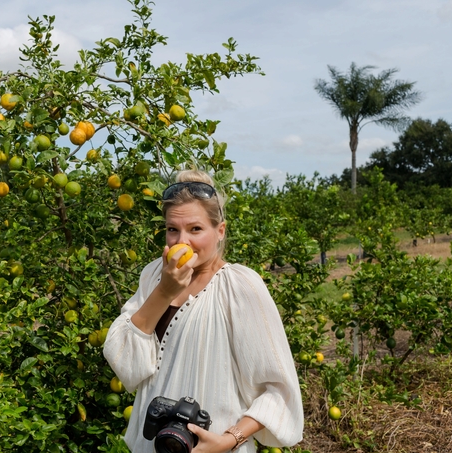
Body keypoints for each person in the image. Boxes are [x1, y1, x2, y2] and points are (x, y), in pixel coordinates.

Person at [103, 170, 303, 453]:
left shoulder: (240, 286)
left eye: (195, 229)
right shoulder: (153, 276)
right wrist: (165, 291)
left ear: (219, 231)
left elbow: (278, 389)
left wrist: (228, 440)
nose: (182, 241)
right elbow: (125, 364)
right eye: (173, 229)